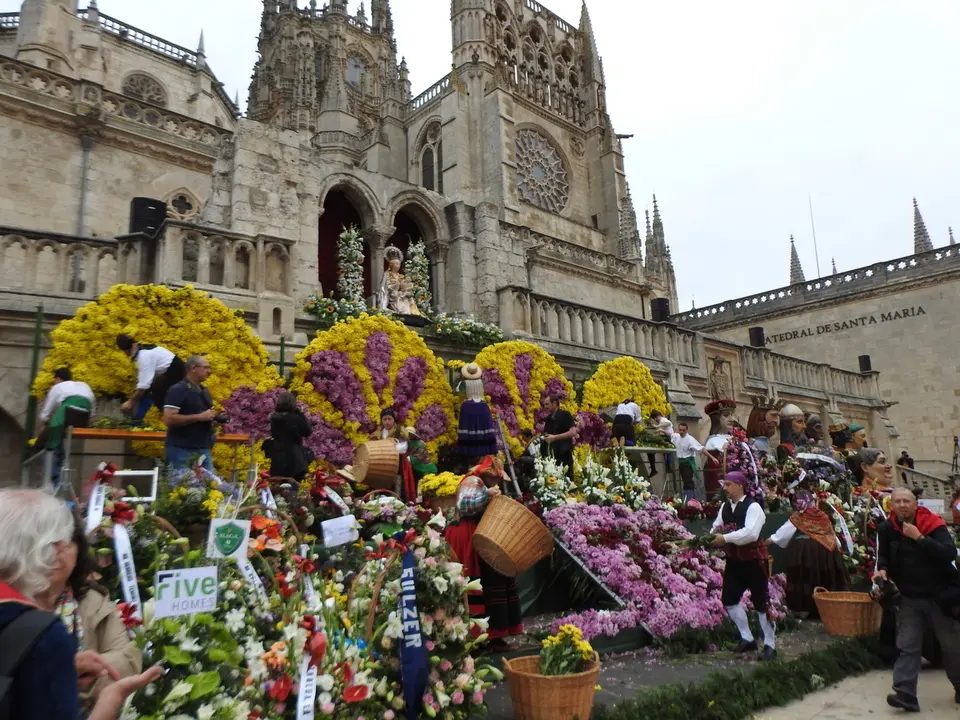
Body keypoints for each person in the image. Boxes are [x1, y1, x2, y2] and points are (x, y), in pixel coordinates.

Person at [0, 489, 162, 720]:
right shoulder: (43, 633)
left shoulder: (93, 601)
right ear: (53, 547)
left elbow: (127, 655)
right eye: (60, 544)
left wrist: (64, 668)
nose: (60, 554)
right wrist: (107, 704)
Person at [874, 487, 960, 712]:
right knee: (907, 646)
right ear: (891, 505)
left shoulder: (933, 524)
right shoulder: (887, 529)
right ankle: (905, 693)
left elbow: (949, 553)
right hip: (909, 597)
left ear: (915, 504)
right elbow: (883, 556)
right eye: (897, 501)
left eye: (907, 501)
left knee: (952, 647)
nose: (902, 505)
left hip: (939, 597)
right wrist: (882, 570)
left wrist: (920, 538)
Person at [50, 516, 142, 711]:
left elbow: (128, 661)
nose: (56, 554)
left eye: (65, 545)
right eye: (46, 544)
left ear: (78, 552)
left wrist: (69, 678)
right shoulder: (12, 604)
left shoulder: (93, 599)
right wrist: (69, 671)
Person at [444, 457, 522, 651]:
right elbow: (464, 505)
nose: (497, 483)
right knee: (481, 581)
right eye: (496, 479)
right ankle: (477, 636)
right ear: (488, 474)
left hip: (482, 533)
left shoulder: (483, 484)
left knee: (496, 578)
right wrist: (486, 495)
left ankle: (496, 635)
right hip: (467, 536)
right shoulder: (472, 481)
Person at [710, 471, 777, 661]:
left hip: (755, 561)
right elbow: (716, 527)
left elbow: (751, 534)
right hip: (734, 562)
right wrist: (709, 538)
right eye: (725, 485)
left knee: (762, 604)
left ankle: (770, 645)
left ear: (740, 485)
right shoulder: (724, 507)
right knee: (730, 600)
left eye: (728, 485)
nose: (725, 488)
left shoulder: (753, 507)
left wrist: (725, 538)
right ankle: (747, 638)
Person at [767, 489, 850, 617]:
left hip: (806, 553)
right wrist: (837, 546)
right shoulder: (822, 516)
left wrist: (767, 542)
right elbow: (831, 534)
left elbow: (782, 534)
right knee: (825, 578)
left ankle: (806, 608)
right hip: (827, 551)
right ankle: (830, 607)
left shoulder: (798, 517)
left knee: (806, 577)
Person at [37, 368, 95, 487]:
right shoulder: (84, 385)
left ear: (57, 379)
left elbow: (45, 414)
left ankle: (54, 481)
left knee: (48, 444)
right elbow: (92, 411)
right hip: (84, 417)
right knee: (59, 438)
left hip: (68, 411)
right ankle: (61, 470)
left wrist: (45, 426)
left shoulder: (58, 387)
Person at [162, 355, 218, 472]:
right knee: (181, 487)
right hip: (181, 449)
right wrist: (199, 417)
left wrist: (213, 420)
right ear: (193, 368)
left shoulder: (204, 390)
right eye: (206, 368)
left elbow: (205, 416)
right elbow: (168, 419)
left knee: (211, 487)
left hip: (203, 448)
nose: (209, 371)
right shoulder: (178, 389)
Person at [116, 334, 185, 420]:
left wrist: (131, 402)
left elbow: (144, 386)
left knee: (156, 394)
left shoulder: (143, 356)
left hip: (176, 373)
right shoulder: (142, 347)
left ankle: (172, 419)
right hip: (173, 370)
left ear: (125, 351)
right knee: (151, 391)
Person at [265, 391, 313, 481]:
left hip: (278, 456)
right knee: (293, 486)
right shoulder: (294, 418)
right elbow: (307, 431)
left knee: (278, 485)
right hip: (294, 458)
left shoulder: (275, 418)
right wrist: (300, 414)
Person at [457, 363, 498, 461]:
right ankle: (483, 452)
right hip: (482, 405)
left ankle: (470, 452)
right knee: (483, 426)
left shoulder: (464, 383)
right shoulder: (482, 382)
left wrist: (459, 380)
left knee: (468, 426)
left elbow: (458, 392)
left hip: (469, 405)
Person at [670, 422, 718, 502]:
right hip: (681, 462)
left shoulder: (690, 439)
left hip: (688, 463)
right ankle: (687, 498)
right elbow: (669, 433)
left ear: (687, 430)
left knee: (688, 481)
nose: (681, 432)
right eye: (680, 430)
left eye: (683, 430)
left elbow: (701, 449)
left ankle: (691, 499)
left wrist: (712, 457)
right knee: (685, 481)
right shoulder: (676, 437)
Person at [540, 394, 576, 480]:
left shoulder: (565, 415)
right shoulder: (548, 418)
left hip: (564, 454)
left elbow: (573, 432)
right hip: (552, 456)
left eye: (547, 404)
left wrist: (554, 438)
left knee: (567, 480)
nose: (545, 407)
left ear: (554, 403)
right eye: (544, 404)